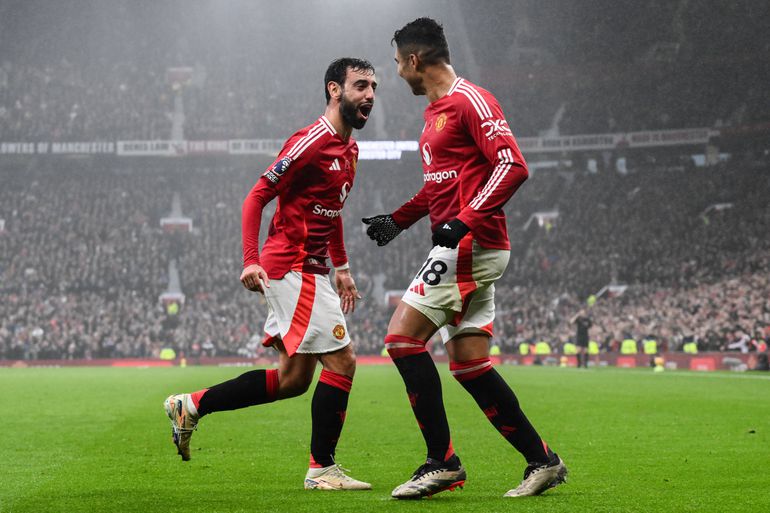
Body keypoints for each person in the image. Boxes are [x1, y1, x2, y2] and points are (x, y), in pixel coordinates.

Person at [362, 18, 567, 499]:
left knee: (400, 340)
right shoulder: (435, 112)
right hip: (464, 243)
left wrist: (465, 221)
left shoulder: (470, 100)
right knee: (469, 364)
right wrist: (399, 220)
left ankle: (443, 462)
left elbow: (513, 165)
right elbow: (440, 186)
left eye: (397, 63)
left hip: (470, 246)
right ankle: (542, 460)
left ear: (414, 60)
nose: (397, 74)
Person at [164, 57, 377, 491]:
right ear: (334, 90)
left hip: (313, 269)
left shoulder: (350, 151)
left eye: (373, 87)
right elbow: (256, 196)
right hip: (292, 265)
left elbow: (332, 211)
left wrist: (342, 267)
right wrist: (250, 258)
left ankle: (191, 405)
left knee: (293, 380)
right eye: (360, 85)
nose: (370, 95)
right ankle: (322, 469)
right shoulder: (310, 141)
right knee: (343, 360)